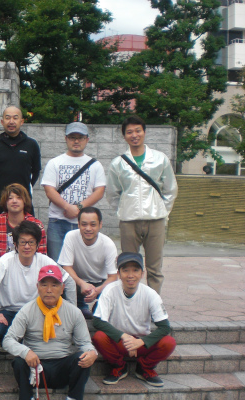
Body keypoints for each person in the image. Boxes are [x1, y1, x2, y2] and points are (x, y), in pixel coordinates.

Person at [3, 265, 98, 400]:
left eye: (54, 285)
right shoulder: (27, 310)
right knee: (19, 361)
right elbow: (8, 340)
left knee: (83, 358)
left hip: (62, 366)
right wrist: (26, 352)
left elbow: (85, 343)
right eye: (44, 284)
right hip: (36, 368)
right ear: (37, 287)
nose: (49, 290)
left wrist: (92, 352)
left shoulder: (74, 312)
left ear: (62, 288)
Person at [107, 115, 178, 294]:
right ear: (124, 136)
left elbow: (171, 189)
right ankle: (131, 300)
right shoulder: (118, 163)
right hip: (129, 221)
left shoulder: (160, 159)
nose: (134, 135)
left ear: (144, 132)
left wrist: (164, 212)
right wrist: (123, 209)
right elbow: (112, 193)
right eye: (129, 132)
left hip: (156, 220)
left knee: (155, 268)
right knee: (129, 266)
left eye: (138, 130)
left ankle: (154, 303)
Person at [0, 221, 76, 349]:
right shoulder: (6, 261)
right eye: (22, 242)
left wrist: (70, 311)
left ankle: (16, 342)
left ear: (37, 245)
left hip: (36, 311)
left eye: (31, 242)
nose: (27, 246)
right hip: (9, 311)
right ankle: (18, 341)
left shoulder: (44, 261)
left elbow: (68, 282)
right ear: (15, 244)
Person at [92, 252, 176, 388]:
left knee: (169, 342)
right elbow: (97, 321)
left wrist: (141, 342)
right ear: (119, 274)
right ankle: (119, 367)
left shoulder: (150, 294)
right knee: (99, 337)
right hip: (118, 341)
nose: (130, 275)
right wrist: (124, 337)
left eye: (135, 270)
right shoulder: (110, 290)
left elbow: (164, 327)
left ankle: (144, 368)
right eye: (125, 270)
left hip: (142, 343)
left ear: (142, 273)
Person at [41, 122, 106, 261]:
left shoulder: (95, 165)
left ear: (87, 139)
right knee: (56, 262)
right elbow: (49, 190)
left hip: (85, 223)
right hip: (58, 221)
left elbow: (100, 191)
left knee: (82, 262)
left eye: (80, 137)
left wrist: (79, 208)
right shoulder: (54, 163)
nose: (76, 141)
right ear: (66, 139)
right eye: (72, 137)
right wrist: (67, 207)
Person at [58, 206, 118, 319]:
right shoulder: (70, 237)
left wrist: (98, 290)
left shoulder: (108, 244)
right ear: (78, 224)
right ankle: (78, 309)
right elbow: (66, 267)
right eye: (84, 224)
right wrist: (82, 283)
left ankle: (99, 308)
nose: (88, 228)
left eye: (93, 224)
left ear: (100, 225)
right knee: (63, 282)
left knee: (116, 288)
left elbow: (113, 276)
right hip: (78, 281)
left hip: (101, 282)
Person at [0, 106, 41, 221]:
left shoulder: (31, 145)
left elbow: (36, 172)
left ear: (22, 121)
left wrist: (21, 190)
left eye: (15, 118)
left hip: (23, 203)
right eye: (8, 118)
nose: (11, 121)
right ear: (2, 122)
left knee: (25, 236)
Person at [0, 183, 47, 266]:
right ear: (5, 202)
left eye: (19, 198)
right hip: (3, 268)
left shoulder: (36, 225)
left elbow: (41, 254)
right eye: (10, 198)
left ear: (25, 201)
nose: (14, 201)